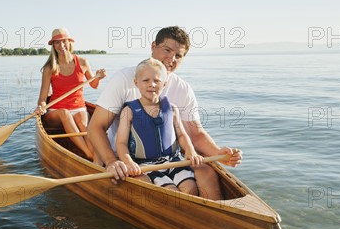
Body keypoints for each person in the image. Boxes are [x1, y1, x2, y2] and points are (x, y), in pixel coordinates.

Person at [88, 26, 242, 200]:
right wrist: (111, 161)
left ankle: (215, 219)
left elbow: (194, 134)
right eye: (167, 50)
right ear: (153, 46)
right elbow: (95, 127)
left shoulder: (182, 89)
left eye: (179, 55)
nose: (171, 59)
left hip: (169, 158)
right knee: (148, 186)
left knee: (207, 172)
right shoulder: (125, 78)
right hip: (127, 158)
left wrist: (219, 154)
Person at [115, 58, 202, 195]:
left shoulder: (172, 109)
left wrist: (191, 151)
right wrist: (129, 162)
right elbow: (120, 143)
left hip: (173, 160)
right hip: (146, 165)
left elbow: (181, 135)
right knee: (170, 191)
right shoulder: (129, 111)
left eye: (157, 81)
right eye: (146, 80)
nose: (152, 85)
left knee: (190, 188)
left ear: (165, 84)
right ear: (136, 82)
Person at [35, 28, 106, 160]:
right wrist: (41, 106)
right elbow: (43, 96)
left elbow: (94, 85)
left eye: (64, 41)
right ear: (53, 46)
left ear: (70, 42)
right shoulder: (50, 67)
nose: (61, 45)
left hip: (79, 107)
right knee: (65, 113)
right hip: (56, 110)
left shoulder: (83, 62)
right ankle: (89, 155)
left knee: (83, 123)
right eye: (57, 42)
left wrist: (98, 77)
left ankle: (93, 158)